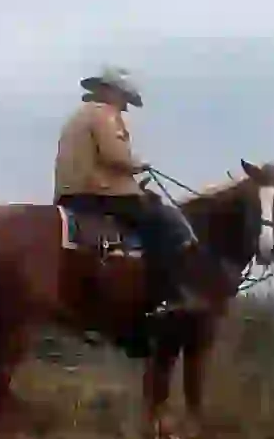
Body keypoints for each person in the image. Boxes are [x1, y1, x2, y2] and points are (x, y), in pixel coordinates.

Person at [54, 65, 206, 313]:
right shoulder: (105, 115)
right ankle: (167, 294)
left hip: (72, 193)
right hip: (99, 192)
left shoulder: (80, 115)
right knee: (165, 222)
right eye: (124, 98)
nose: (125, 105)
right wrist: (138, 164)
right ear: (112, 92)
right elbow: (115, 156)